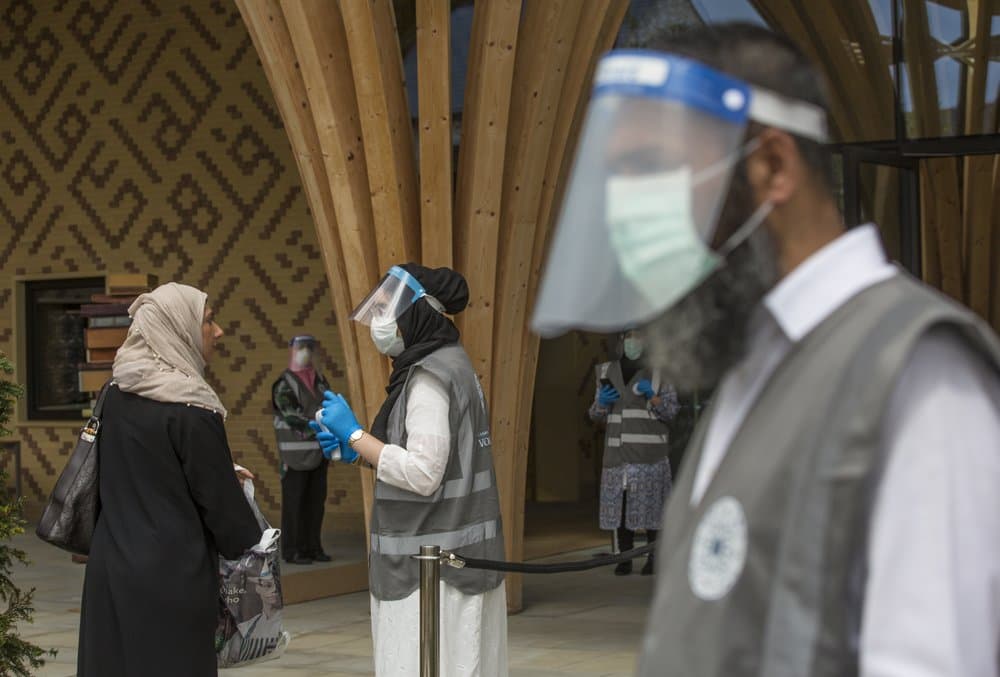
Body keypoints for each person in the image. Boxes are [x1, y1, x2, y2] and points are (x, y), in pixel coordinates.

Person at [530, 24, 1000, 677]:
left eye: (650, 168)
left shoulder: (917, 375)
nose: (628, 211)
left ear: (772, 166)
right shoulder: (754, 364)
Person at [311, 264, 508, 677]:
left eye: (387, 310)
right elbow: (439, 460)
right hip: (453, 568)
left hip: (432, 578)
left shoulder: (429, 379)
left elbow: (423, 473)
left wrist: (355, 436)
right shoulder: (452, 364)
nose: (380, 324)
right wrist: (359, 453)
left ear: (418, 311)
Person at [78, 283, 262, 677]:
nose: (218, 331)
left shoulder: (115, 392)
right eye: (208, 321)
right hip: (172, 579)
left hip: (111, 573)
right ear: (177, 329)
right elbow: (229, 522)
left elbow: (142, 463)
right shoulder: (192, 409)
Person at [588, 329, 677, 575]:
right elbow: (595, 415)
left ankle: (653, 558)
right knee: (621, 510)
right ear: (622, 341)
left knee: (652, 510)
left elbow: (672, 412)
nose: (633, 342)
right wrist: (601, 403)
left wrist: (653, 397)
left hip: (649, 456)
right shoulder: (605, 372)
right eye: (629, 337)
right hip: (617, 456)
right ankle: (624, 558)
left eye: (638, 337)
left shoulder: (660, 373)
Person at [272, 334, 332, 565]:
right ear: (292, 350)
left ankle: (313, 548)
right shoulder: (284, 384)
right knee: (294, 504)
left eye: (309, 347)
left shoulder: (320, 380)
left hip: (319, 453)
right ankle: (293, 550)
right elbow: (291, 417)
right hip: (294, 456)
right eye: (301, 347)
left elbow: (330, 407)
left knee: (315, 503)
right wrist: (320, 425)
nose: (305, 352)